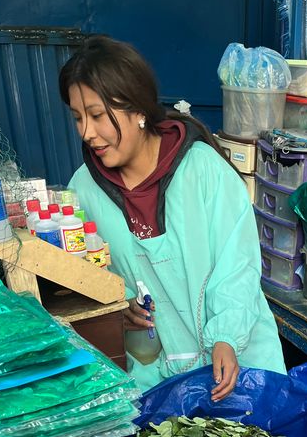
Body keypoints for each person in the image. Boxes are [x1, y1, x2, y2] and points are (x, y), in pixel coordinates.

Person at [59, 35, 285, 399]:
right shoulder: (83, 191)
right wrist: (118, 308)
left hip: (238, 362)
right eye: (77, 118)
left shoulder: (203, 171)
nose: (87, 132)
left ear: (138, 110)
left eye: (98, 116)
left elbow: (237, 264)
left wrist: (225, 337)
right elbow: (88, 282)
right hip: (156, 379)